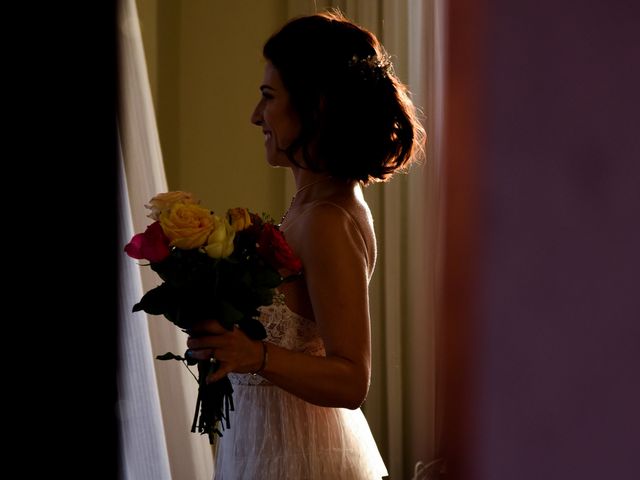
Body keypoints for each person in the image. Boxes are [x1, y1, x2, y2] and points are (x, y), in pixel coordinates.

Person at [187, 10, 425, 479]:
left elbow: (352, 379)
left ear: (315, 107)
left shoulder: (327, 220)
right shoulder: (313, 204)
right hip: (268, 446)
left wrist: (253, 354)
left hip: (300, 458)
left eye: (269, 98)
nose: (256, 116)